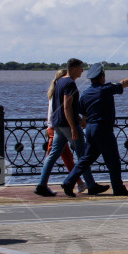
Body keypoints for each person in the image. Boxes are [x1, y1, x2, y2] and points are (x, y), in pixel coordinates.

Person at [61, 63, 128, 197]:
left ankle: (69, 181)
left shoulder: (86, 93)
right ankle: (118, 188)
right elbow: (122, 84)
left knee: (86, 159)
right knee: (113, 160)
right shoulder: (106, 89)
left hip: (90, 129)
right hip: (103, 129)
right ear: (102, 77)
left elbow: (82, 113)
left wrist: (84, 122)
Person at [34, 59, 109, 197]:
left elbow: (63, 106)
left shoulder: (60, 82)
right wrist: (74, 127)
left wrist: (78, 119)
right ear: (74, 69)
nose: (82, 71)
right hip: (68, 126)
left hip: (58, 125)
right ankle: (90, 185)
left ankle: (41, 184)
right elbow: (67, 106)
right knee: (83, 155)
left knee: (53, 155)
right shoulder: (69, 83)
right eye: (80, 68)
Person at [45, 69, 85, 193]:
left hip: (53, 127)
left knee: (59, 157)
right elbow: (66, 109)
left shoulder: (54, 93)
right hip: (58, 127)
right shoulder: (61, 92)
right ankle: (78, 182)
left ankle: (79, 182)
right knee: (74, 156)